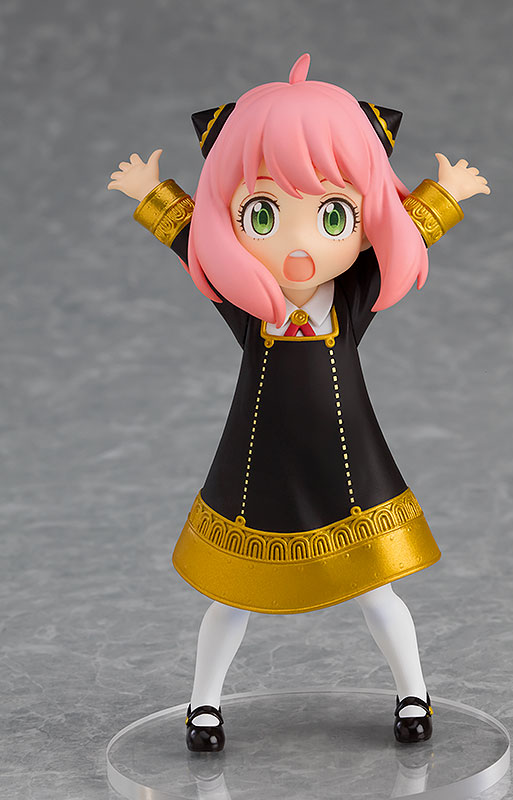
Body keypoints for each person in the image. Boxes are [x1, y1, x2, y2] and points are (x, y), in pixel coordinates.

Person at [108, 53, 490, 752]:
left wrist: (445, 195)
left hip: (349, 473)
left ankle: (413, 694)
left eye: (333, 214)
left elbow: (407, 232)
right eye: (263, 214)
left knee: (377, 591)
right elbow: (188, 238)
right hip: (257, 470)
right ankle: (203, 705)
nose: (299, 246)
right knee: (231, 595)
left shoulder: (351, 298)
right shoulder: (249, 307)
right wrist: (152, 193)